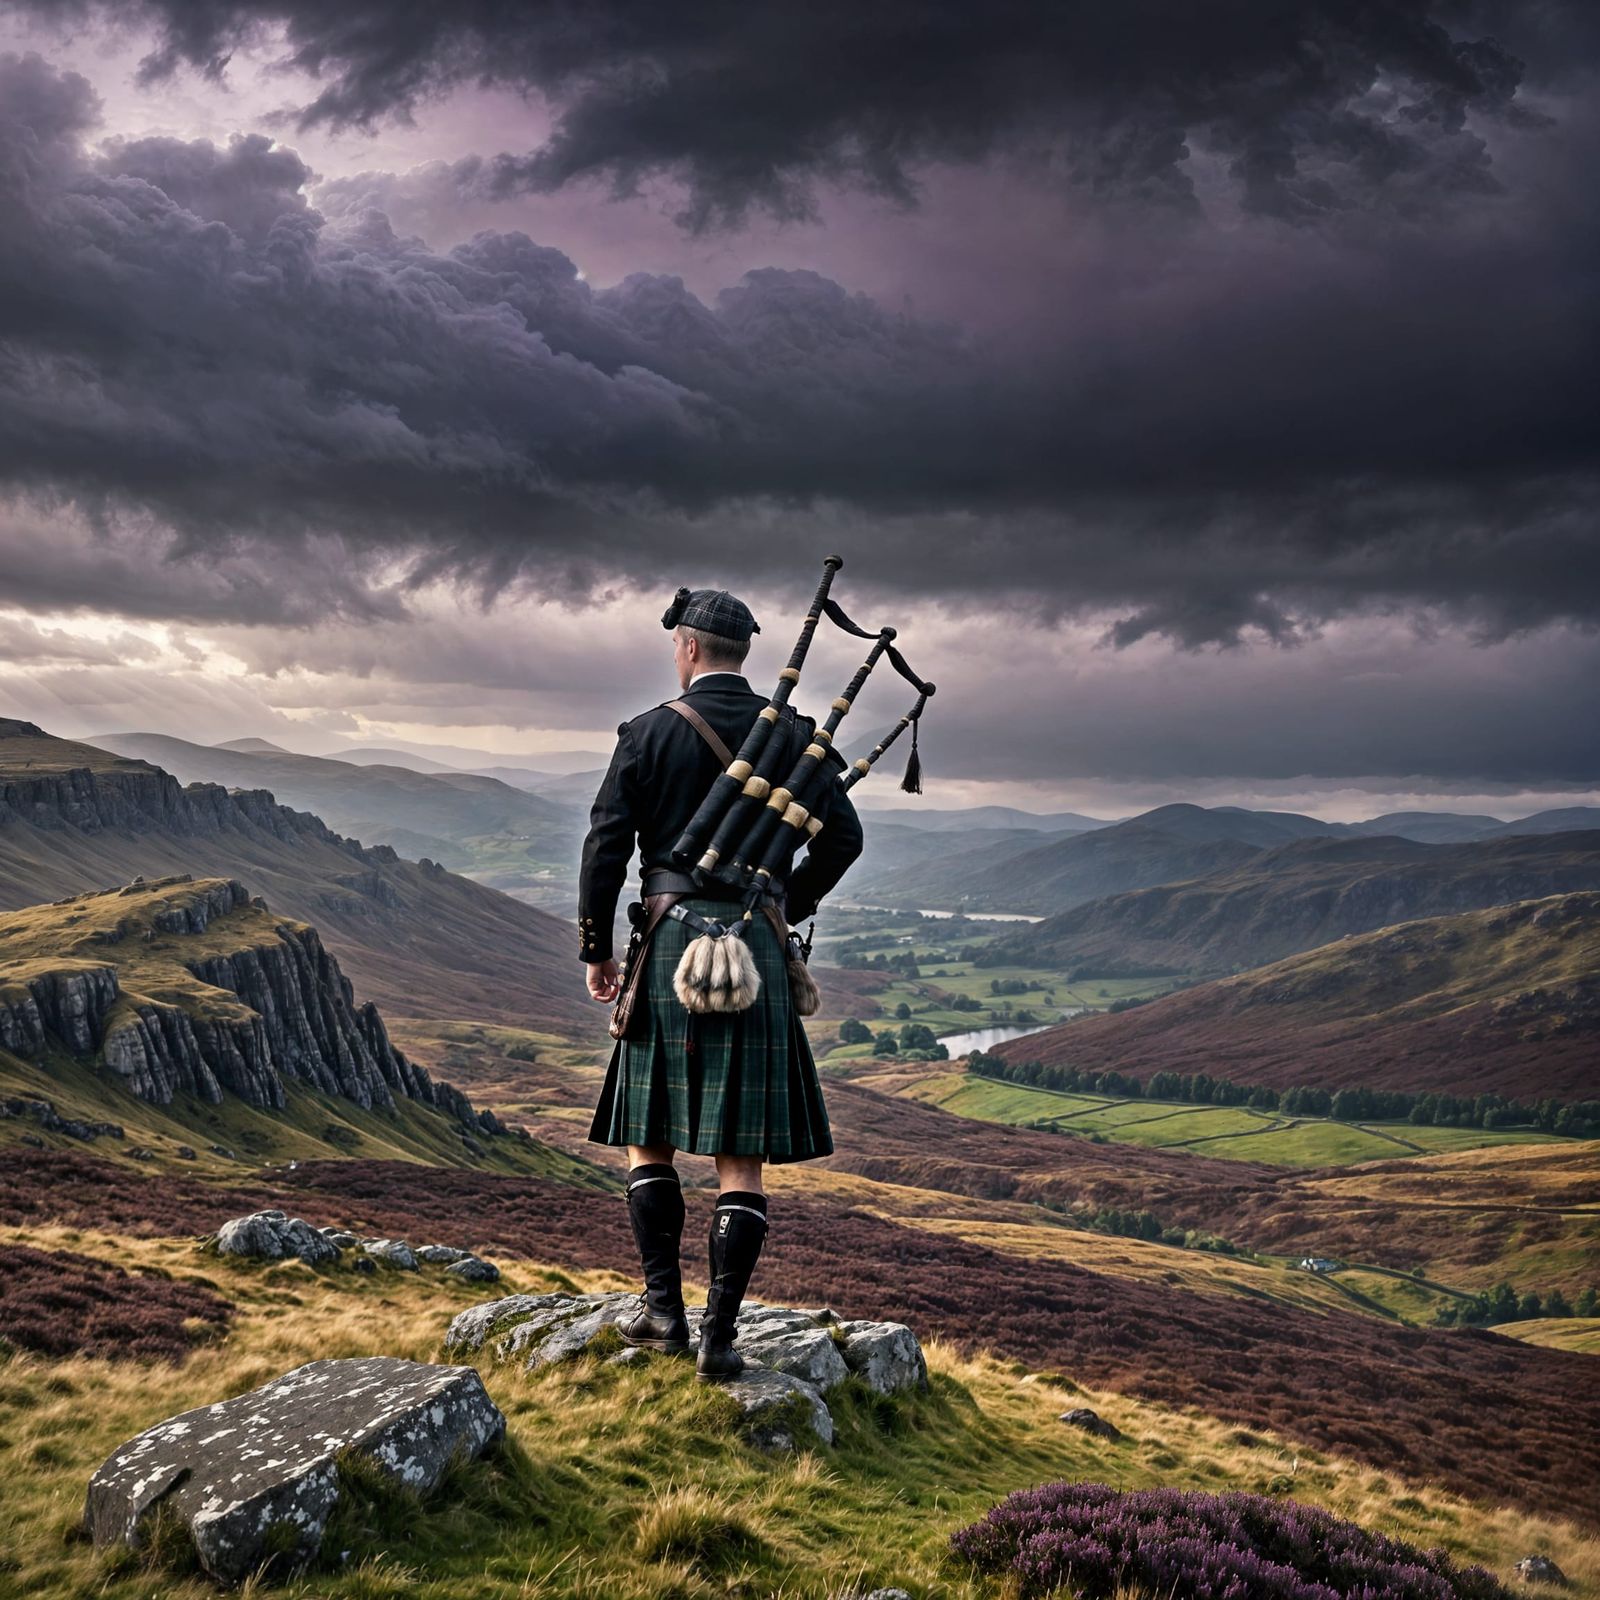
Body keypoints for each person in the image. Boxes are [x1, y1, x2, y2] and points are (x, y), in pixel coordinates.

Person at [579, 585, 864, 1380]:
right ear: (742, 653)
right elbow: (844, 838)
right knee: (741, 1157)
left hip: (668, 941)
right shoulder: (799, 741)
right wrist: (781, 904)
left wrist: (597, 949)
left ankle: (664, 1313)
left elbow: (605, 845)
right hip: (757, 946)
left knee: (651, 1136)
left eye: (677, 644)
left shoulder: (648, 733)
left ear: (691, 648)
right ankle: (720, 1341)